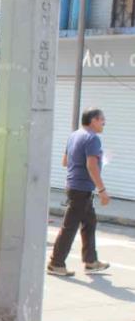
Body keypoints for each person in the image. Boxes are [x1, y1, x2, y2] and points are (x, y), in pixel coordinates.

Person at [48, 108, 110, 276]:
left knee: (90, 223)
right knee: (69, 227)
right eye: (102, 119)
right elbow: (91, 165)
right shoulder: (93, 139)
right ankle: (56, 263)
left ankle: (91, 261)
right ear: (94, 120)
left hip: (75, 187)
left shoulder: (74, 135)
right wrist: (102, 190)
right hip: (81, 189)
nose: (104, 123)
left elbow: (65, 161)